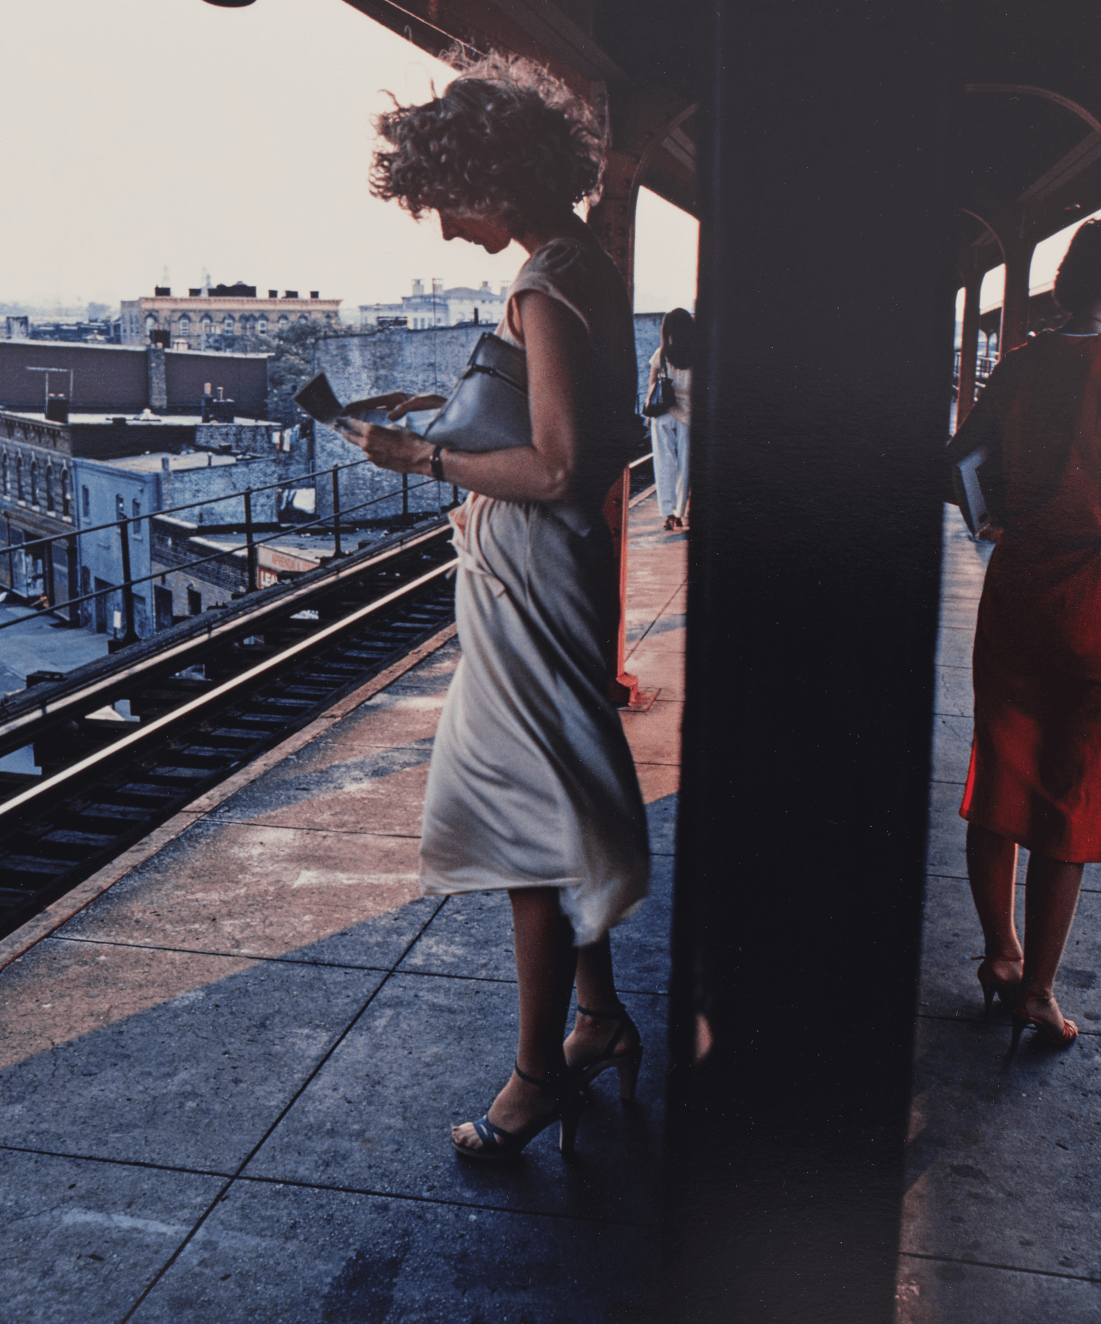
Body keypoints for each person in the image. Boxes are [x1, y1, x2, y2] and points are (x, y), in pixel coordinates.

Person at [340, 52, 651, 1160]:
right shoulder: (584, 263)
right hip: (545, 571)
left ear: (490, 176)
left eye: (442, 199)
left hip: (531, 573)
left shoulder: (543, 280)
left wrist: (418, 453)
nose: (437, 227)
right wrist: (473, 408)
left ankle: (534, 1080)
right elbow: (581, 435)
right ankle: (598, 1018)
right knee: (550, 791)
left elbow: (561, 465)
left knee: (524, 819)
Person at [947, 217, 1101, 1052]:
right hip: (1092, 608)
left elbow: (960, 465)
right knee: (1070, 793)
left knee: (1001, 767)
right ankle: (1039, 993)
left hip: (1016, 593)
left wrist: (1004, 516)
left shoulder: (1016, 367)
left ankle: (1000, 955)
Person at [645, 308, 695, 531]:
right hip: (689, 417)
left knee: (664, 464)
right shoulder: (699, 355)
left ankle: (667, 514)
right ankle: (679, 514)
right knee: (685, 467)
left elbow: (652, 384)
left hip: (663, 414)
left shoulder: (662, 353)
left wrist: (648, 415)